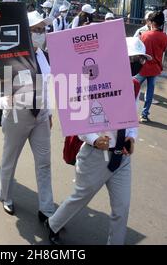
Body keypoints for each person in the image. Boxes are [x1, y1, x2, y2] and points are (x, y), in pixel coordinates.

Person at [45, 37, 148, 245]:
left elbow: (132, 119)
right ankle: (53, 224)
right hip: (95, 155)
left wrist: (132, 137)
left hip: (122, 157)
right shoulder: (94, 83)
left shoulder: (134, 85)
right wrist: (93, 138)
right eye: (132, 59)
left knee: (122, 207)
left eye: (140, 59)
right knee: (80, 197)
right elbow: (77, 118)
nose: (136, 63)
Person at [0, 10, 55, 220]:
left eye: (43, 29)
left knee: (44, 161)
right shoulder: (10, 55)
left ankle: (47, 208)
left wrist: (48, 112)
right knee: (10, 158)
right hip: (17, 113)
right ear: (25, 32)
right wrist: (7, 102)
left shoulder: (43, 56)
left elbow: (47, 85)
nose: (40, 33)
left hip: (40, 115)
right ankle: (6, 196)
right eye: (36, 30)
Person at [135, 11, 167, 122]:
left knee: (131, 88)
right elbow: (163, 50)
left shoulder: (144, 35)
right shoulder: (165, 37)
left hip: (142, 68)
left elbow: (138, 50)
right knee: (150, 92)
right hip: (155, 68)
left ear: (152, 22)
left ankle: (125, 110)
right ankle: (144, 114)